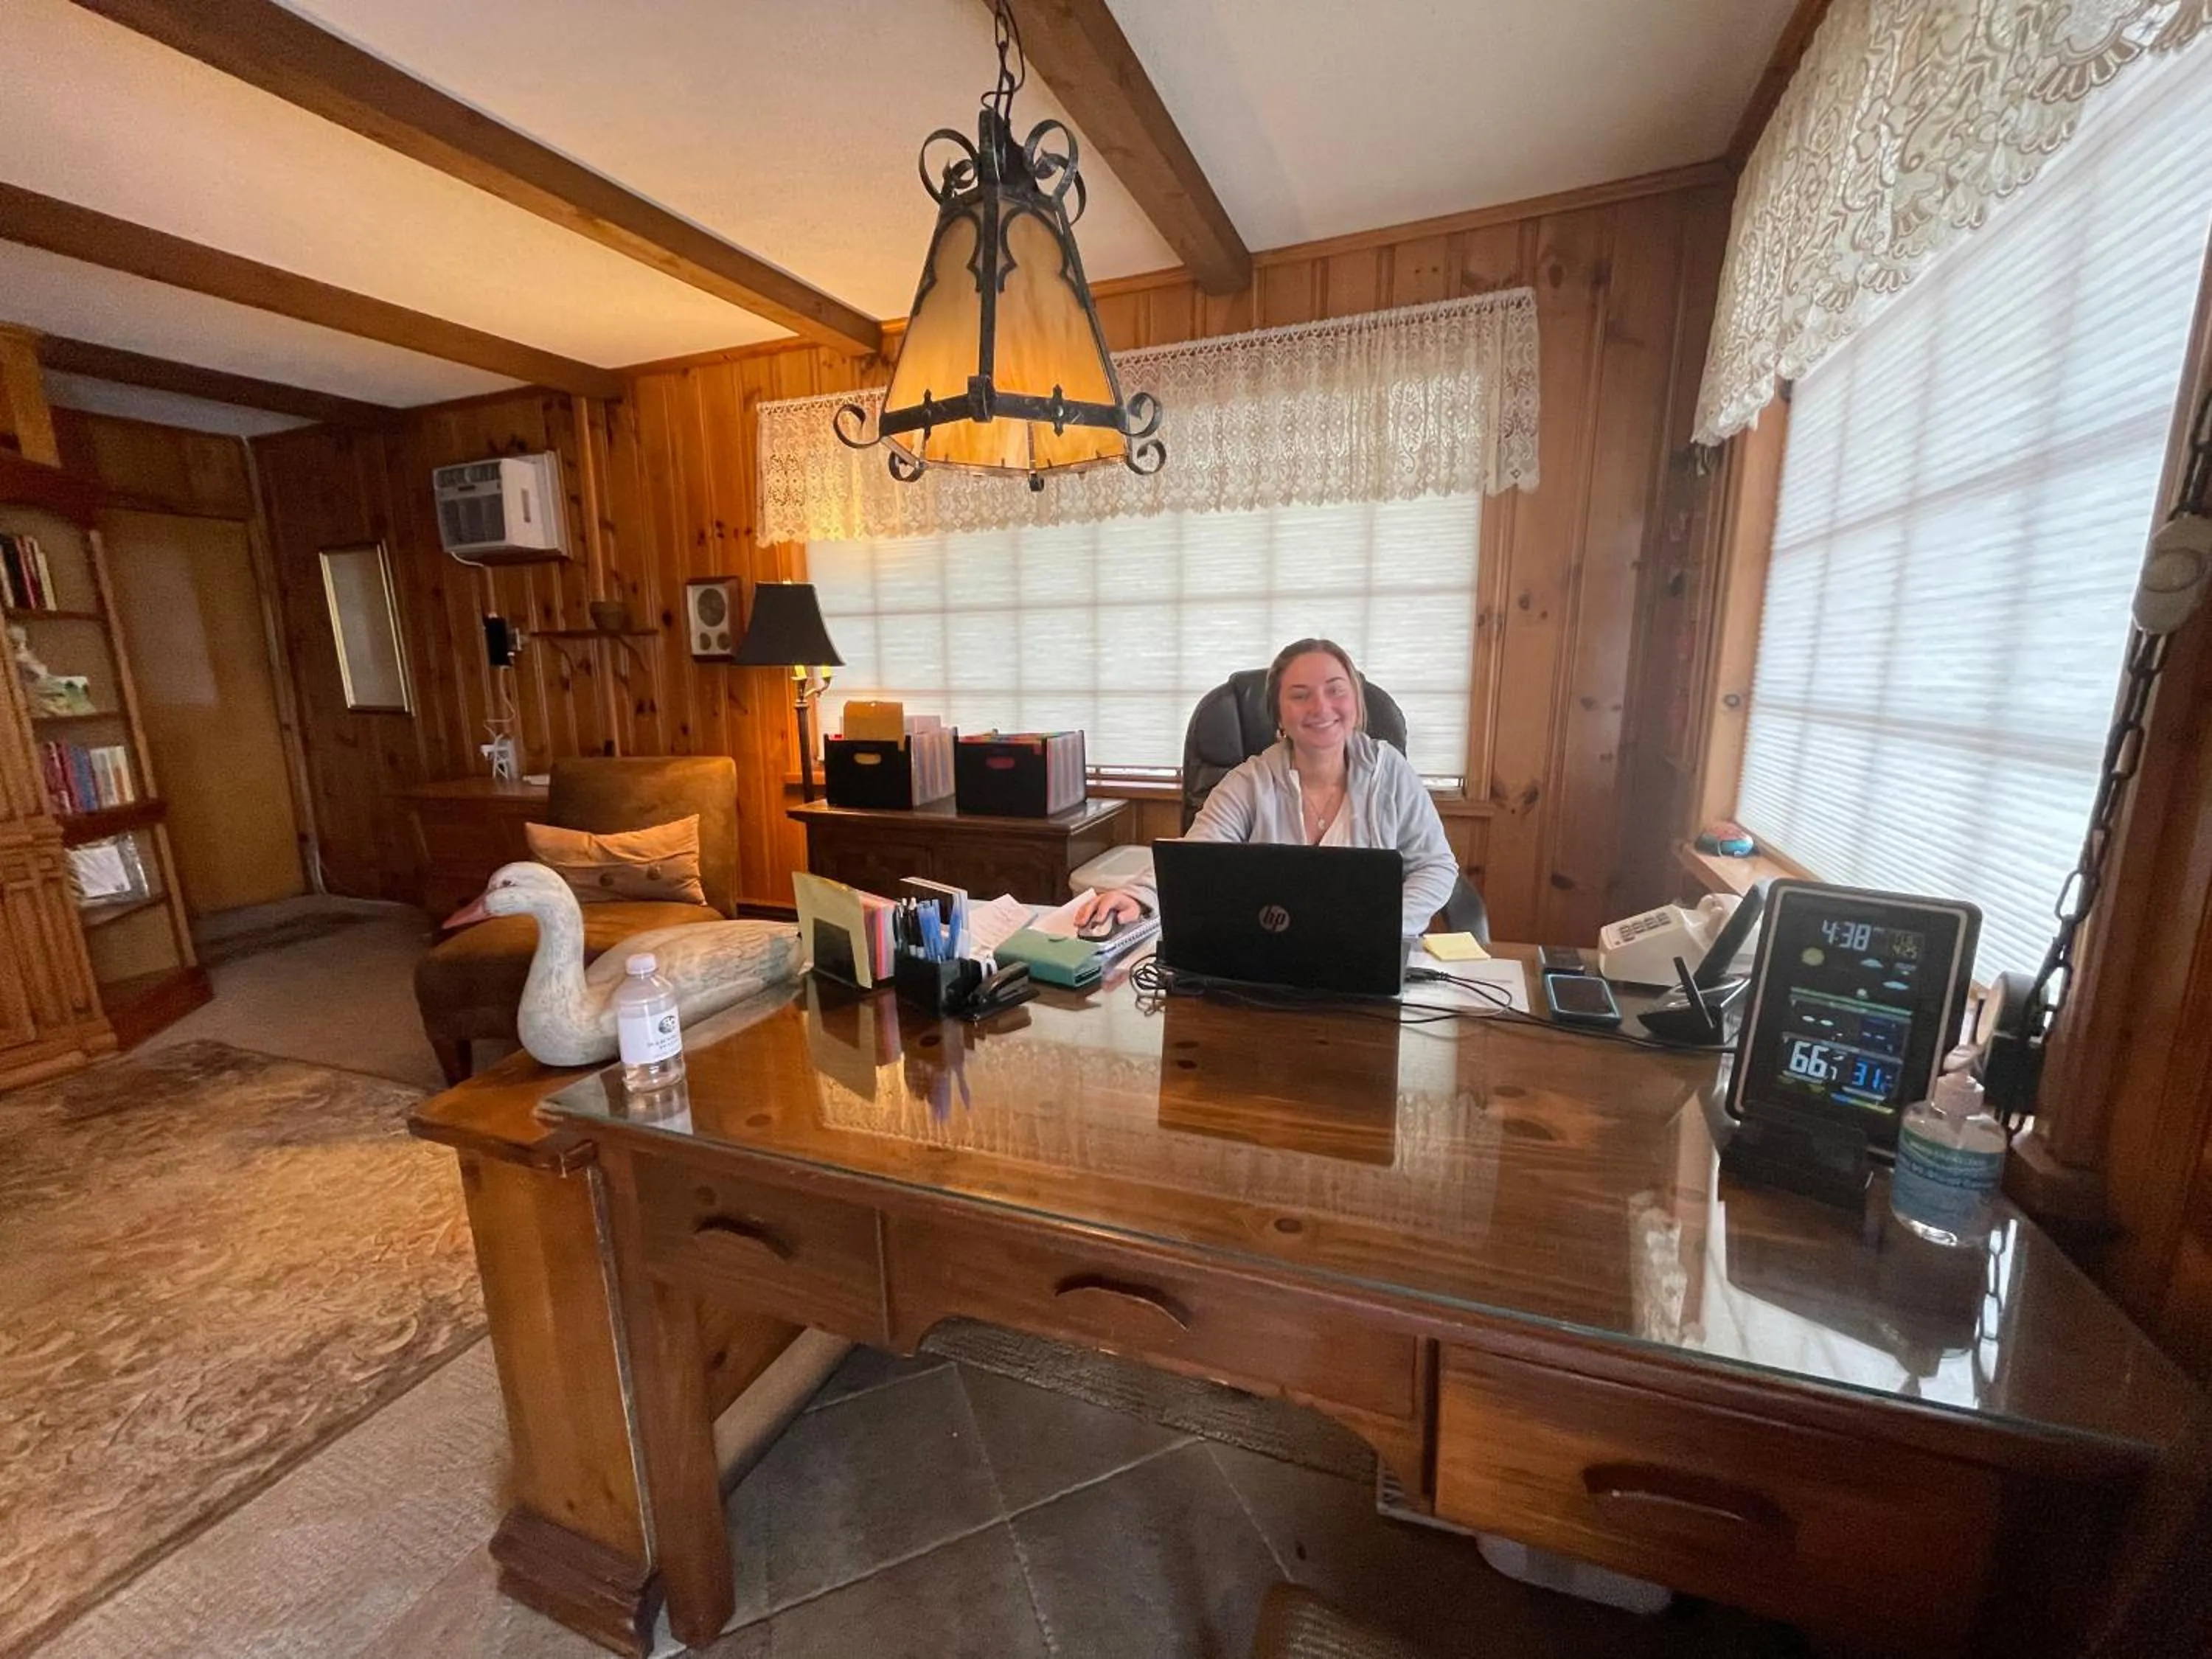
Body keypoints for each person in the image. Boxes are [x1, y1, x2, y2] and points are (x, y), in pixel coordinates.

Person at [1074, 639, 1461, 938]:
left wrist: (1383, 926)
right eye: (1300, 695)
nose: (1321, 707)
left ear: (1356, 703)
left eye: (1336, 690)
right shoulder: (1249, 781)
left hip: (1369, 958)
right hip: (1265, 957)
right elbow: (1196, 857)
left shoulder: (1390, 772)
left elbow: (1435, 866)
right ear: (1279, 715)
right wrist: (1137, 895)